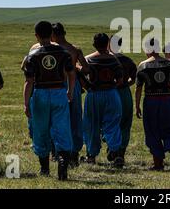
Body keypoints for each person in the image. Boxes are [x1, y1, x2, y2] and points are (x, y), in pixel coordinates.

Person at [23, 21, 75, 180]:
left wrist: (26, 103)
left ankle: (44, 168)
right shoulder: (63, 52)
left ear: (36, 35)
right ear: (52, 34)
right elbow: (72, 74)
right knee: (62, 129)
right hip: (59, 91)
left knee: (40, 130)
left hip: (40, 94)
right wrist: (70, 91)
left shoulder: (32, 55)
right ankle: (62, 164)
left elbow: (29, 81)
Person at [136, 38, 170, 171]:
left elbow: (138, 88)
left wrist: (137, 105)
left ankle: (158, 163)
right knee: (168, 127)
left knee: (152, 130)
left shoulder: (143, 65)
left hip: (151, 101)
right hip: (167, 100)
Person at [81, 33, 124, 168]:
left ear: (94, 44)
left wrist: (87, 86)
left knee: (92, 125)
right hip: (111, 93)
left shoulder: (88, 59)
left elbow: (80, 74)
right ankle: (116, 152)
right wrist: (112, 87)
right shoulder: (113, 60)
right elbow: (120, 79)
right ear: (107, 44)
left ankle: (91, 155)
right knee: (112, 123)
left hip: (94, 94)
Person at [51, 22, 90, 167]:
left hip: (57, 84)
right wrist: (76, 67)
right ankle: (74, 152)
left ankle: (57, 151)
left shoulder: (51, 49)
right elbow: (86, 69)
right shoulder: (75, 49)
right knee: (75, 119)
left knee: (56, 119)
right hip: (74, 85)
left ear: (53, 35)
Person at [109, 35, 137, 162]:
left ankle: (112, 148)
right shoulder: (127, 60)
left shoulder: (107, 59)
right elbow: (134, 78)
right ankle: (121, 152)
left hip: (109, 91)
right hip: (124, 93)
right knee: (125, 123)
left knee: (110, 122)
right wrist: (127, 84)